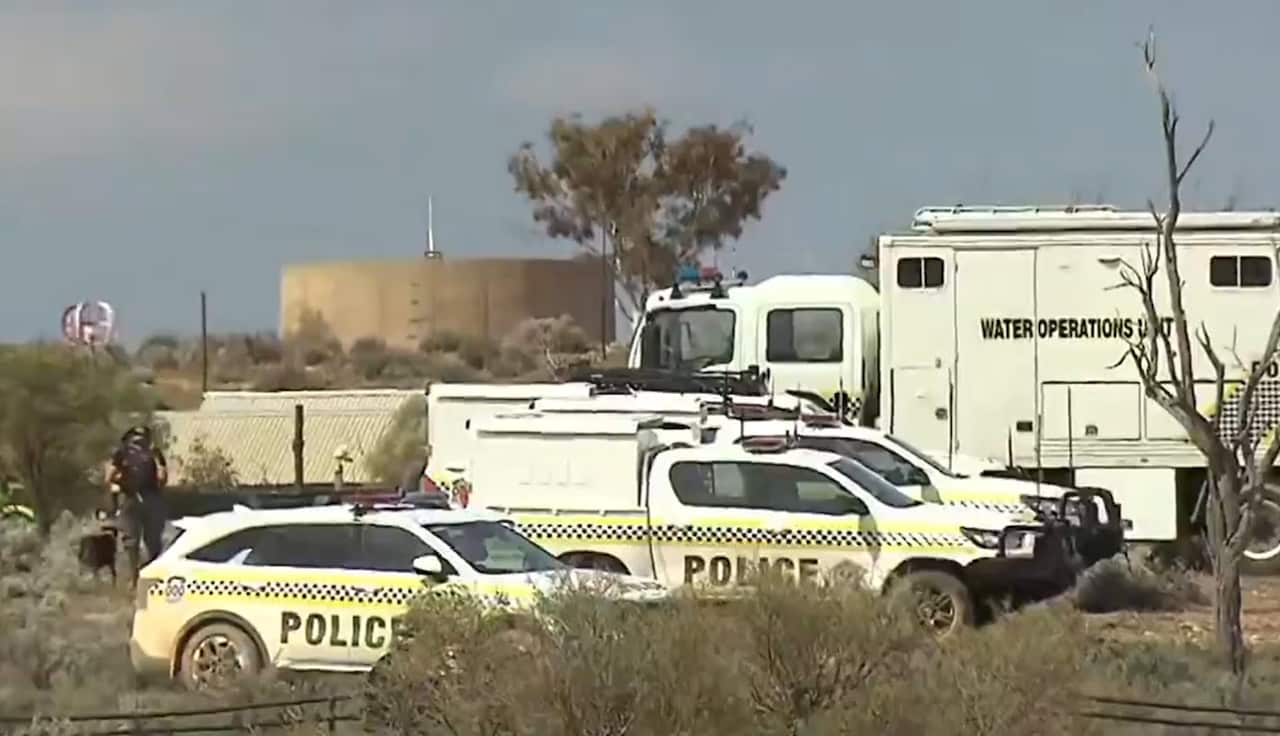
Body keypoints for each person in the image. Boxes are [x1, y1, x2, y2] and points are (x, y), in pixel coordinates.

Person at [107, 425, 168, 585]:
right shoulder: (122, 453)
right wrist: (118, 484)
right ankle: (135, 578)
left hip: (149, 498)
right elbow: (110, 476)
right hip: (131, 499)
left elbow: (162, 476)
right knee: (132, 541)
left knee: (152, 540)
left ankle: (152, 576)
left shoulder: (154, 453)